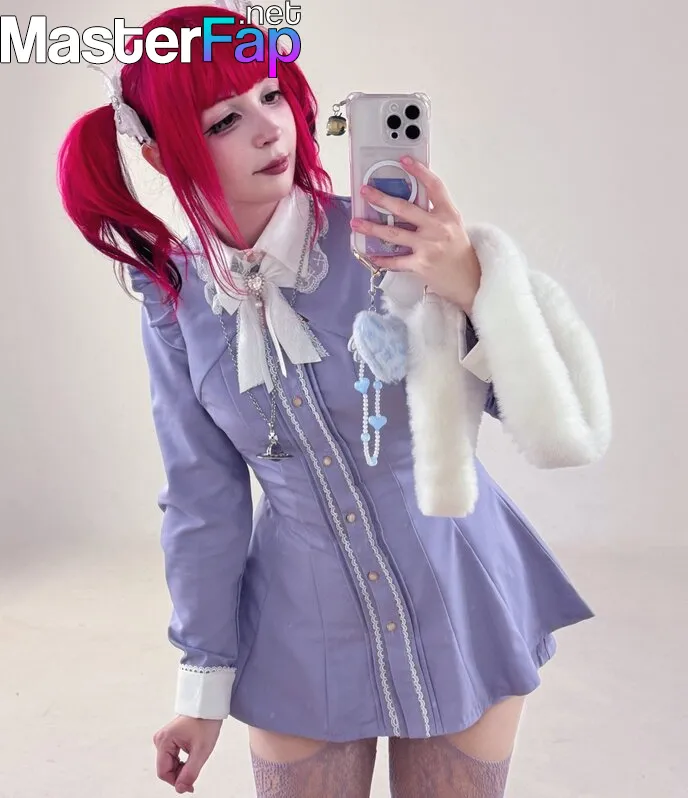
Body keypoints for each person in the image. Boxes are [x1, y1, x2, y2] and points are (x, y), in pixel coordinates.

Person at [56, 5, 611, 797]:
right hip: (300, 624)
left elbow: (549, 422)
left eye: (271, 94)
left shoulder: (398, 242)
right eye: (225, 119)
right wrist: (201, 690)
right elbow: (202, 499)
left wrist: (472, 285)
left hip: (460, 594)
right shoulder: (175, 302)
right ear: (158, 151)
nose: (268, 129)